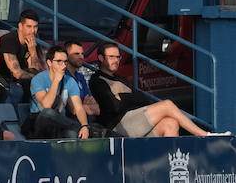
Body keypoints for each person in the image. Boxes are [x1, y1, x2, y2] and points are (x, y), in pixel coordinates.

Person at [90, 42, 226, 138]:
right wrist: (128, 98)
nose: (116, 60)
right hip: (118, 126)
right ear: (101, 58)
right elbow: (114, 107)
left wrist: (122, 96)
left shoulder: (121, 79)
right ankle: (204, 135)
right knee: (167, 105)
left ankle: (167, 169)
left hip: (135, 120)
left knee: (170, 123)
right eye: (111, 57)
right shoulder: (97, 80)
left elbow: (143, 99)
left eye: (118, 57)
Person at [26, 45, 90, 140]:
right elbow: (46, 105)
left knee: (72, 134)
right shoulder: (38, 79)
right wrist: (56, 81)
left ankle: (75, 129)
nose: (63, 65)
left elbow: (79, 108)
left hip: (60, 123)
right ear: (49, 62)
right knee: (48, 113)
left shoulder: (70, 81)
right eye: (59, 61)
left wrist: (84, 126)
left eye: (65, 61)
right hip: (39, 123)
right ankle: (75, 126)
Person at [0, 9, 43, 100]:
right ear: (20, 26)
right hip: (5, 78)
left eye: (35, 27)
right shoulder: (9, 40)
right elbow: (17, 73)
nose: (33, 31)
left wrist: (33, 51)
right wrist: (35, 77)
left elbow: (35, 69)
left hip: (24, 81)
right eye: (29, 26)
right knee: (17, 91)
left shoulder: (33, 42)